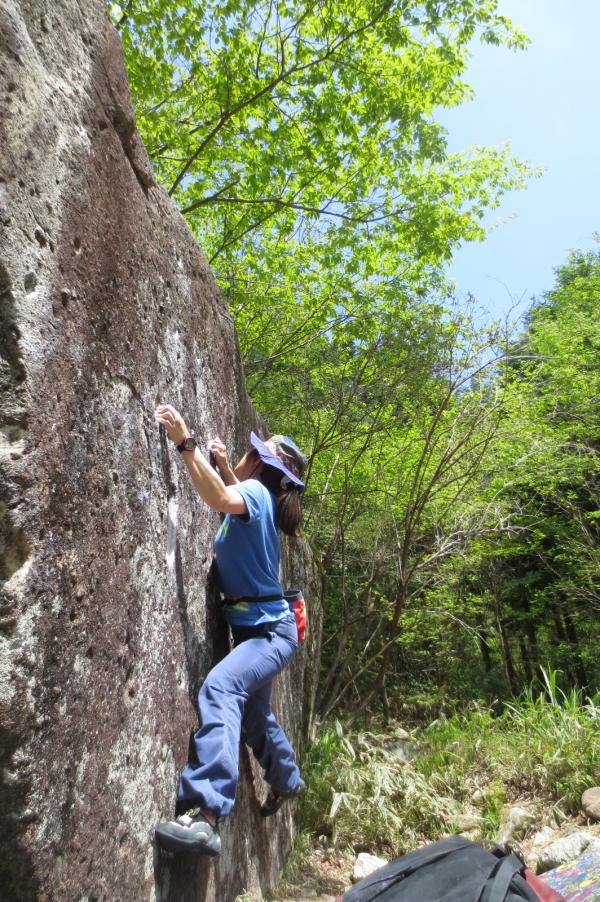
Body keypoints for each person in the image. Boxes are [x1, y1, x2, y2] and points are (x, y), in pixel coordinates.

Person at [153, 403, 308, 856]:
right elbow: (232, 495)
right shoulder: (260, 498)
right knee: (256, 715)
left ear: (257, 462)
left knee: (221, 688)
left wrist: (186, 445)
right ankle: (287, 779)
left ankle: (205, 815)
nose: (240, 454)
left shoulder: (255, 494)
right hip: (268, 631)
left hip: (268, 635)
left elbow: (222, 499)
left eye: (247, 451)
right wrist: (222, 465)